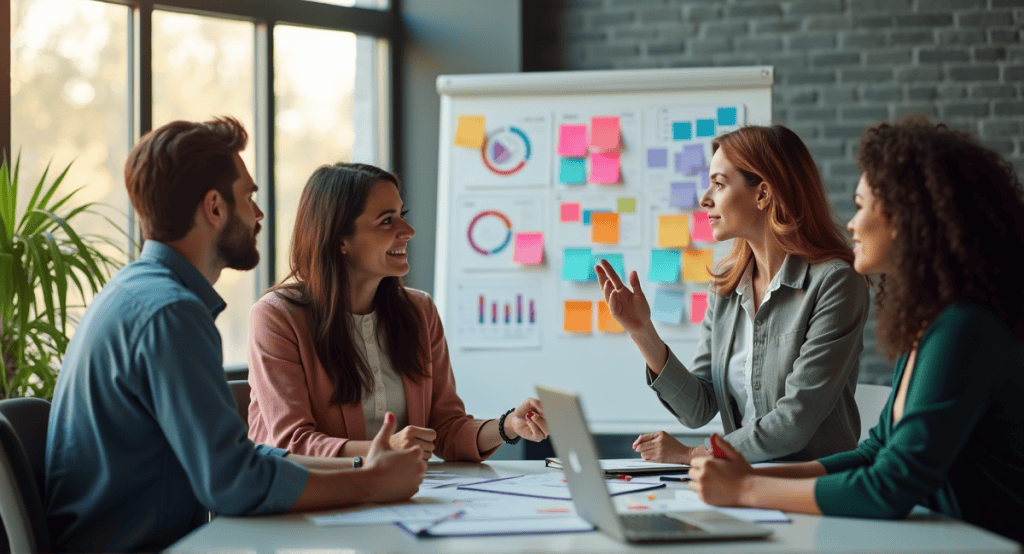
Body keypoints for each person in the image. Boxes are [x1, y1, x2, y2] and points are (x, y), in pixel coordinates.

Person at [44, 118, 426, 553]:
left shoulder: (136, 292)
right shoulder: (172, 313)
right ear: (214, 207)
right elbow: (233, 483)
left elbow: (238, 459)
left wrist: (360, 468)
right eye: (248, 196)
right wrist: (370, 486)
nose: (259, 214)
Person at [688, 117, 1024, 544]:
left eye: (862, 205)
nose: (851, 223)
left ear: (905, 217)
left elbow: (889, 488)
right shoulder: (933, 325)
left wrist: (745, 489)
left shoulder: (964, 331)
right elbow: (874, 452)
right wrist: (747, 476)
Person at [596, 124, 869, 465]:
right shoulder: (725, 288)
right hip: (737, 484)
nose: (704, 198)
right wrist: (642, 331)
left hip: (808, 489)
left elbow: (795, 421)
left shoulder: (835, 283)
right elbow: (699, 408)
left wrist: (694, 454)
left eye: (719, 184)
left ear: (763, 194)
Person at [247, 162, 549, 461]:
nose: (408, 231)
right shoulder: (276, 317)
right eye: (387, 221)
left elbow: (444, 429)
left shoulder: (420, 311)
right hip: (311, 501)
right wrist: (386, 448)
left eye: (401, 215)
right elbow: (290, 443)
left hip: (397, 499)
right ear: (340, 239)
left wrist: (508, 425)